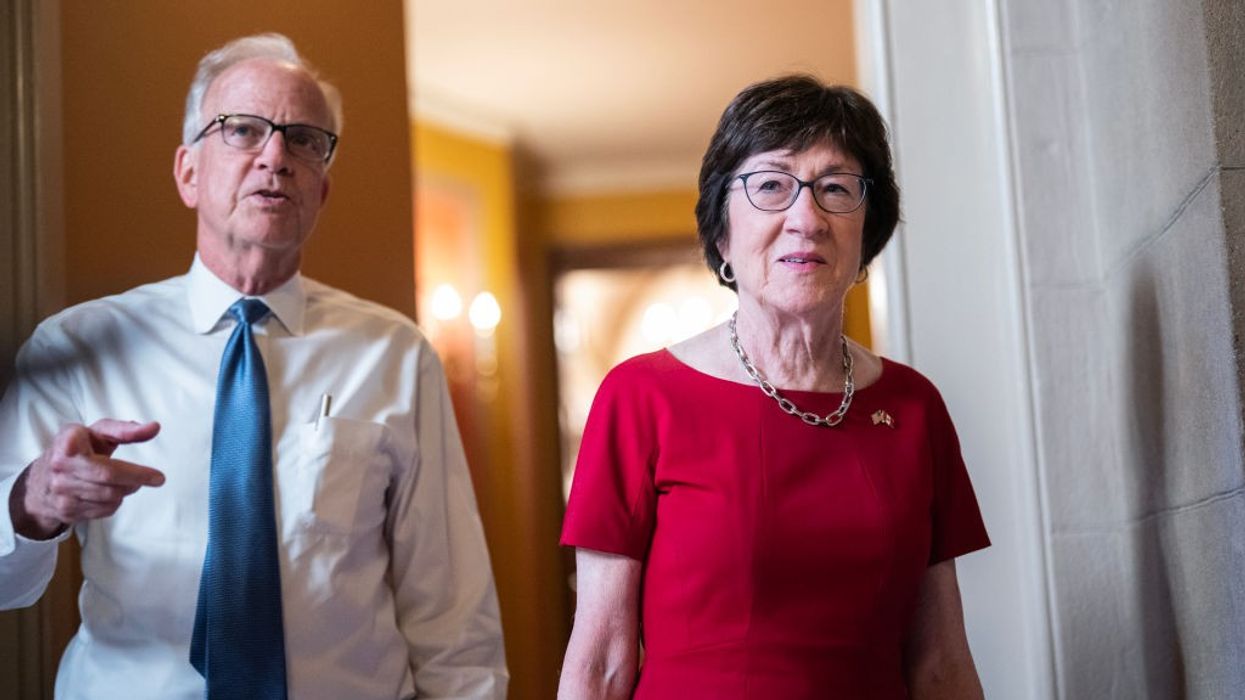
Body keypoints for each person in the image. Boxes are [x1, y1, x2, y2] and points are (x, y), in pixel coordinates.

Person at [0, 33, 506, 699]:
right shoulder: (78, 346)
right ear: (188, 172)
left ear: (322, 188)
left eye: (303, 139)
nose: (276, 157)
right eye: (242, 130)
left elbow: (452, 609)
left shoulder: (395, 355)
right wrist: (33, 502)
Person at [558, 75, 990, 699]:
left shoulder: (913, 407)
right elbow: (600, 661)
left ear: (866, 235)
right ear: (722, 233)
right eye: (771, 186)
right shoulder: (639, 398)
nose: (805, 218)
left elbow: (941, 663)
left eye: (836, 188)